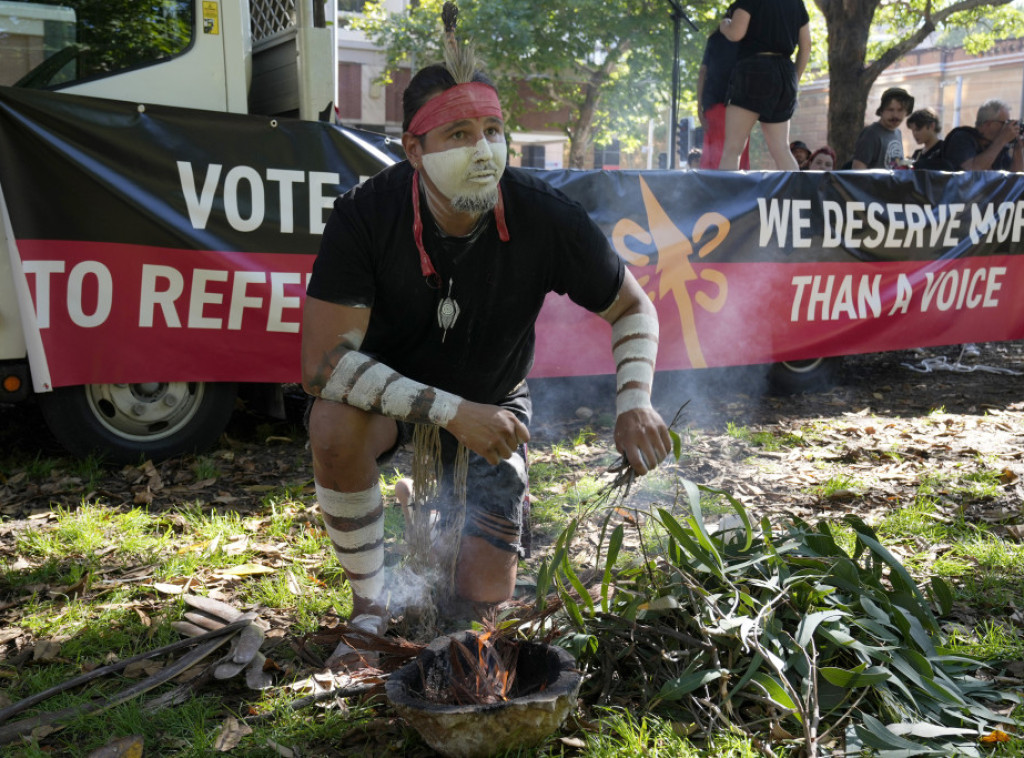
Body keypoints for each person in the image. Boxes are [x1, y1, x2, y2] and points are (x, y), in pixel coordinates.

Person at [300, 3, 671, 669]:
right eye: (459, 134)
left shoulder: (544, 213)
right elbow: (324, 367)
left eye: (493, 129)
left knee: (479, 610)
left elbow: (633, 307)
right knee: (332, 424)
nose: (483, 149)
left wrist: (635, 401)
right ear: (414, 150)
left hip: (496, 408)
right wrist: (448, 413)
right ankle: (371, 605)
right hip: (389, 407)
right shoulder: (366, 214)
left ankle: (440, 522)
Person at [717, 0, 811, 171]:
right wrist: (794, 81)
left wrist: (725, 25)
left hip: (754, 70)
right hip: (786, 73)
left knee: (733, 149)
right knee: (782, 149)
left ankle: (729, 196)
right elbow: (806, 46)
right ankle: (797, 195)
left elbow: (736, 33)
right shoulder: (797, 3)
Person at [697, 5, 750, 170]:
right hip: (740, 105)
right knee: (735, 156)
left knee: (716, 156)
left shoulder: (715, 38)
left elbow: (703, 72)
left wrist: (699, 106)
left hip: (715, 104)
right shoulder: (749, 39)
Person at [941, 98, 1023, 172]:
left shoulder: (998, 146)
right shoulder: (962, 138)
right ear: (987, 124)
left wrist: (1017, 147)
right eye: (1004, 123)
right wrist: (1001, 140)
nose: (1007, 128)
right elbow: (971, 171)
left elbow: (1014, 180)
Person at [851, 87, 914, 169]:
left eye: (900, 110)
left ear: (906, 112)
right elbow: (857, 171)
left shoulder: (898, 133)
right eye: (890, 110)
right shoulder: (870, 134)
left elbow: (894, 164)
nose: (895, 115)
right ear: (882, 111)